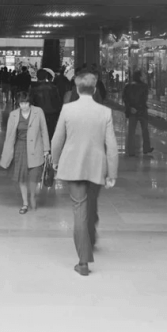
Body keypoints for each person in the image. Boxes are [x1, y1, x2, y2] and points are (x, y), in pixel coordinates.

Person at [51, 72, 119, 276]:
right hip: (97, 166)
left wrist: (54, 161)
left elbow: (57, 139)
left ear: (77, 89)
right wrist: (112, 173)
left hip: (73, 166)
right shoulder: (105, 112)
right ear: (95, 89)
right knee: (91, 204)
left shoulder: (67, 109)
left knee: (79, 209)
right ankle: (90, 240)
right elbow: (112, 146)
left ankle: (83, 262)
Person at [0, 90, 50, 213]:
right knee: (21, 177)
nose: (24, 106)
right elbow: (9, 135)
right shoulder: (13, 115)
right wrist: (6, 151)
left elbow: (44, 130)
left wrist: (46, 149)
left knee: (34, 176)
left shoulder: (38, 112)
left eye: (26, 103)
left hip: (35, 147)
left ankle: (32, 195)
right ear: (18, 103)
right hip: (20, 148)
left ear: (30, 102)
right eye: (21, 103)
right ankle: (25, 203)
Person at [122, 70, 153, 157]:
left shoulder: (128, 86)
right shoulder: (144, 86)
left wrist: (130, 108)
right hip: (142, 111)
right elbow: (144, 99)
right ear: (139, 77)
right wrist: (138, 109)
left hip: (132, 111)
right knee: (145, 130)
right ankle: (146, 148)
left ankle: (131, 151)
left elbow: (125, 98)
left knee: (131, 131)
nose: (145, 77)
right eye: (143, 75)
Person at [30, 68, 62, 139]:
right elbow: (58, 101)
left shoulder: (34, 89)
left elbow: (31, 102)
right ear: (46, 76)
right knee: (51, 131)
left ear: (37, 76)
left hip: (39, 113)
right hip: (53, 113)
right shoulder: (53, 87)